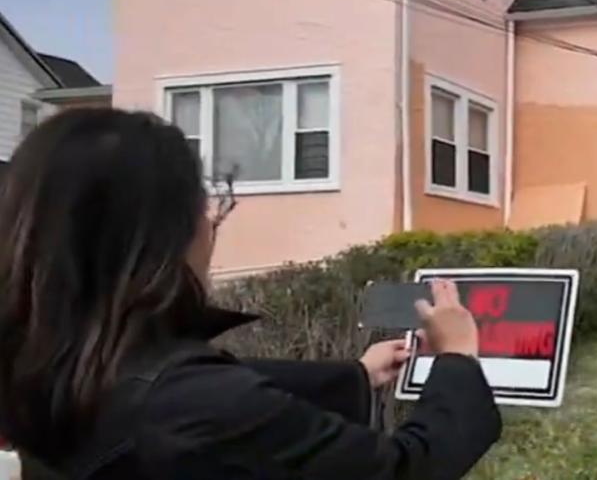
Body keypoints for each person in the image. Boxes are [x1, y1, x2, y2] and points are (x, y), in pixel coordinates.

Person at [0, 108, 500, 479]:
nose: (212, 225)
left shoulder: (48, 362)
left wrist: (356, 375)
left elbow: (192, 384)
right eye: (205, 206)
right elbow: (404, 469)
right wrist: (457, 357)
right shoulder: (193, 407)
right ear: (163, 233)